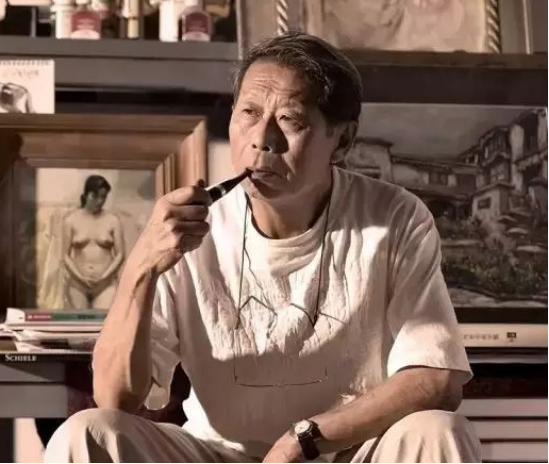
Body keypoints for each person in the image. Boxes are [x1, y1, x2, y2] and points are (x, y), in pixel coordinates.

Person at [45, 33, 481, 463]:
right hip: (216, 454)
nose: (261, 138)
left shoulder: (394, 217)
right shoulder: (187, 227)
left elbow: (436, 379)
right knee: (87, 432)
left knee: (439, 431)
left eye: (290, 119)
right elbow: (115, 398)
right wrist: (142, 266)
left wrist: (303, 440)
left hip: (343, 452)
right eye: (249, 113)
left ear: (342, 140)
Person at [63, 175, 125, 309]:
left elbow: (120, 254)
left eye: (103, 197)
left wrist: (104, 277)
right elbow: (65, 255)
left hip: (105, 284)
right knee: (79, 320)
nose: (99, 201)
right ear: (86, 195)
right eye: (95, 196)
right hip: (78, 285)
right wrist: (80, 277)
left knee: (104, 319)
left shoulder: (113, 220)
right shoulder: (71, 220)